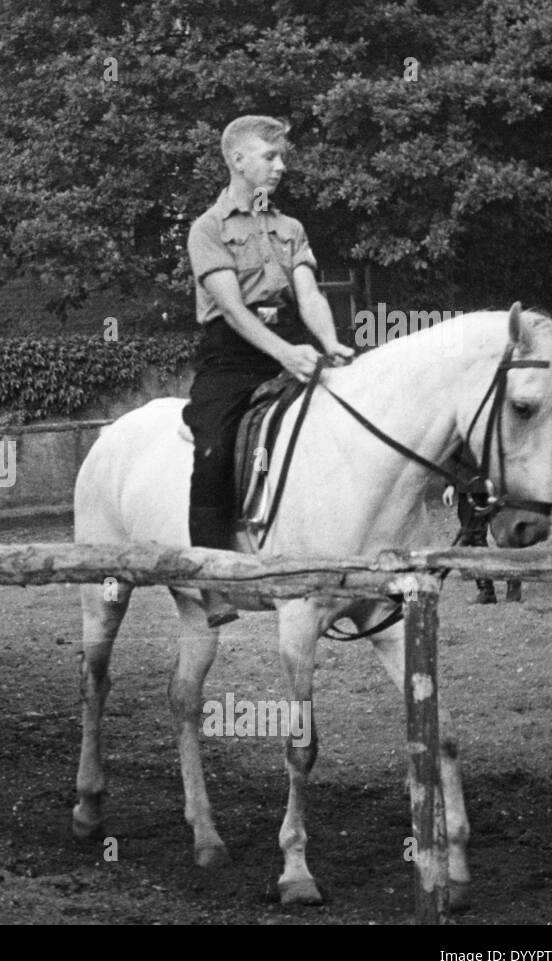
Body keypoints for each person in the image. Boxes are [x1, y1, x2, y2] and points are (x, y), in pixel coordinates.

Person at [184, 115, 354, 626]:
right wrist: (286, 354)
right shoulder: (208, 229)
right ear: (237, 160)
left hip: (291, 347)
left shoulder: (290, 228)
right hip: (230, 357)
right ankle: (211, 575)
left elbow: (309, 294)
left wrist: (330, 344)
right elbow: (233, 311)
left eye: (282, 158)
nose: (280, 167)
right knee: (214, 446)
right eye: (269, 157)